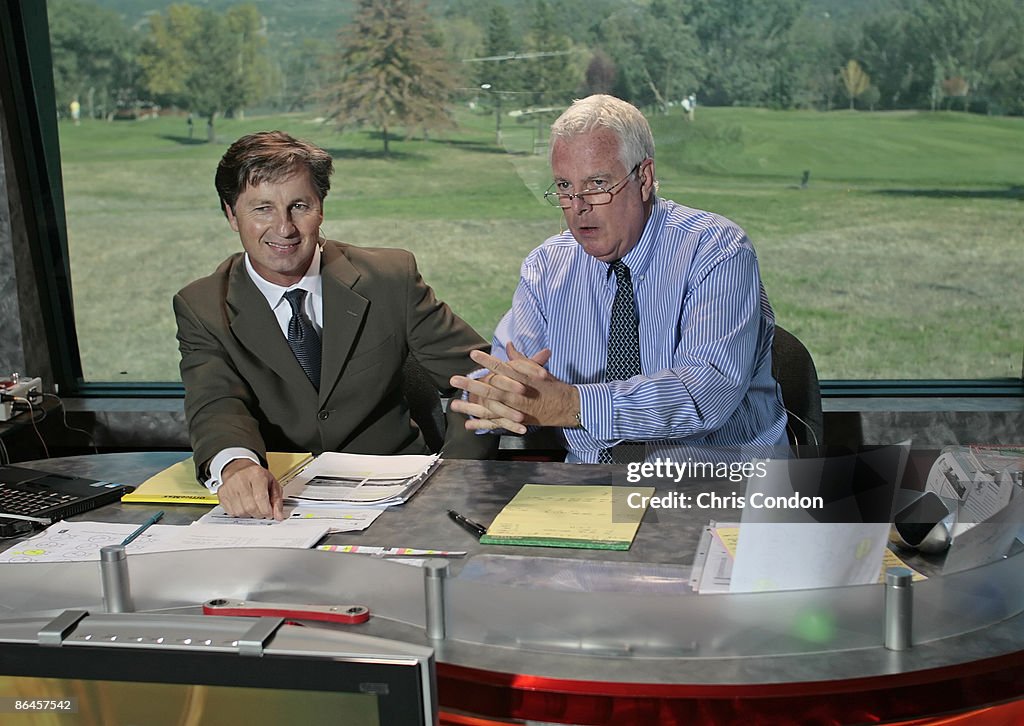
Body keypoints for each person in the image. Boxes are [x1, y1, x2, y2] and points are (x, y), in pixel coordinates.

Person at [450, 94, 788, 464]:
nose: (579, 208)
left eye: (596, 183)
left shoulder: (717, 250)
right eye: (564, 187)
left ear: (644, 179)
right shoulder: (547, 266)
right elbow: (513, 379)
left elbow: (705, 393)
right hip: (589, 494)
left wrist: (574, 405)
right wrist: (493, 396)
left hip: (716, 486)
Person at [174, 131, 491, 518]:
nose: (284, 228)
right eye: (262, 209)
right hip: (280, 503)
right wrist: (237, 467)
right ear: (230, 214)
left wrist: (456, 471)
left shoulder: (390, 278)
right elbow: (216, 403)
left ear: (321, 208)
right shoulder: (202, 305)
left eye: (299, 206)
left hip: (398, 496)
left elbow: (480, 376)